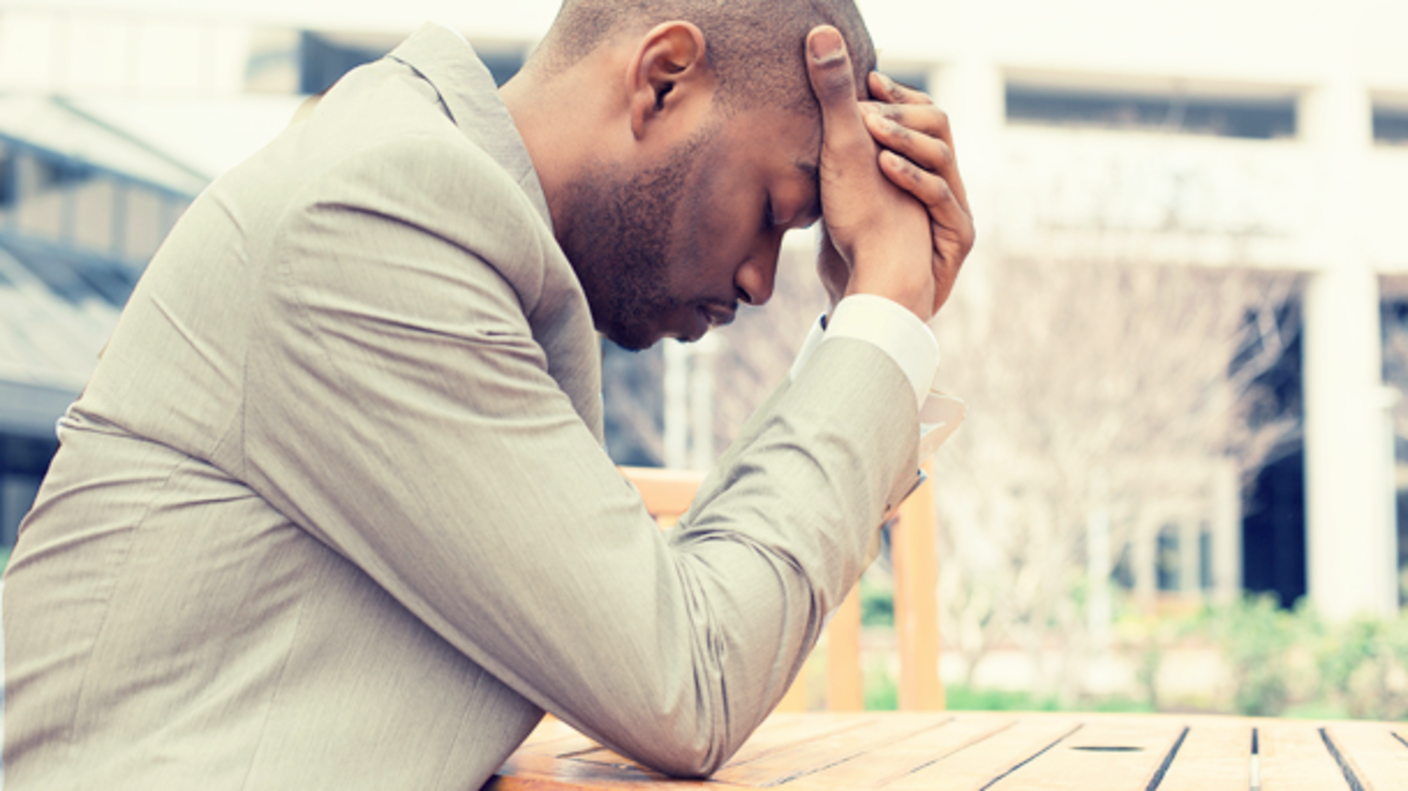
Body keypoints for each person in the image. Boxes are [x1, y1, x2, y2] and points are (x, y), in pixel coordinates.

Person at [1, 0, 974, 788]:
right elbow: (691, 675)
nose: (763, 280)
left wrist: (875, 332)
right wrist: (883, 312)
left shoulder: (448, 222)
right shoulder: (379, 214)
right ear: (662, 79)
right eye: (774, 210)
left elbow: (653, 621)